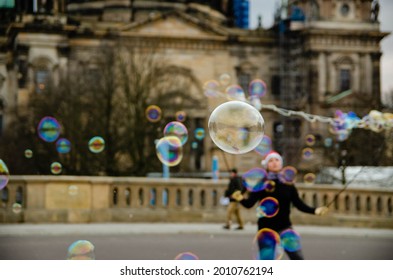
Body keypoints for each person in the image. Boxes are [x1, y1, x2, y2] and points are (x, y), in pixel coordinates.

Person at [231, 151, 328, 259]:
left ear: (281, 164)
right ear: (266, 165)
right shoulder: (261, 183)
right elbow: (249, 204)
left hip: (285, 227)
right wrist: (240, 198)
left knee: (298, 258)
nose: (274, 163)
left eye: (277, 160)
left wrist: (315, 210)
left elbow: (299, 204)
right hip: (266, 229)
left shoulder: (288, 184)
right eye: (271, 161)